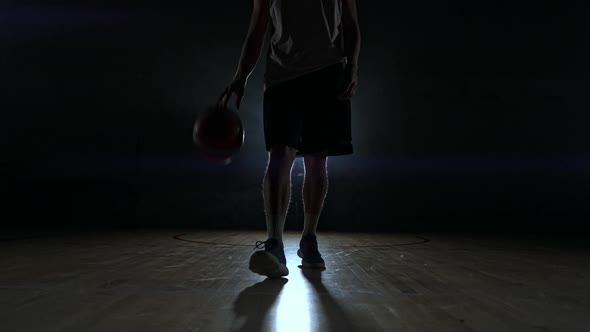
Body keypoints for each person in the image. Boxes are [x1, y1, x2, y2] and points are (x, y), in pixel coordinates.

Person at [217, 0, 361, 278]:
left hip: (328, 72)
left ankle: (309, 239)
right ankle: (275, 244)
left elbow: (351, 23)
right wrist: (240, 76)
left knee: (317, 161)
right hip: (283, 76)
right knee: (279, 155)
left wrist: (352, 67)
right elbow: (257, 28)